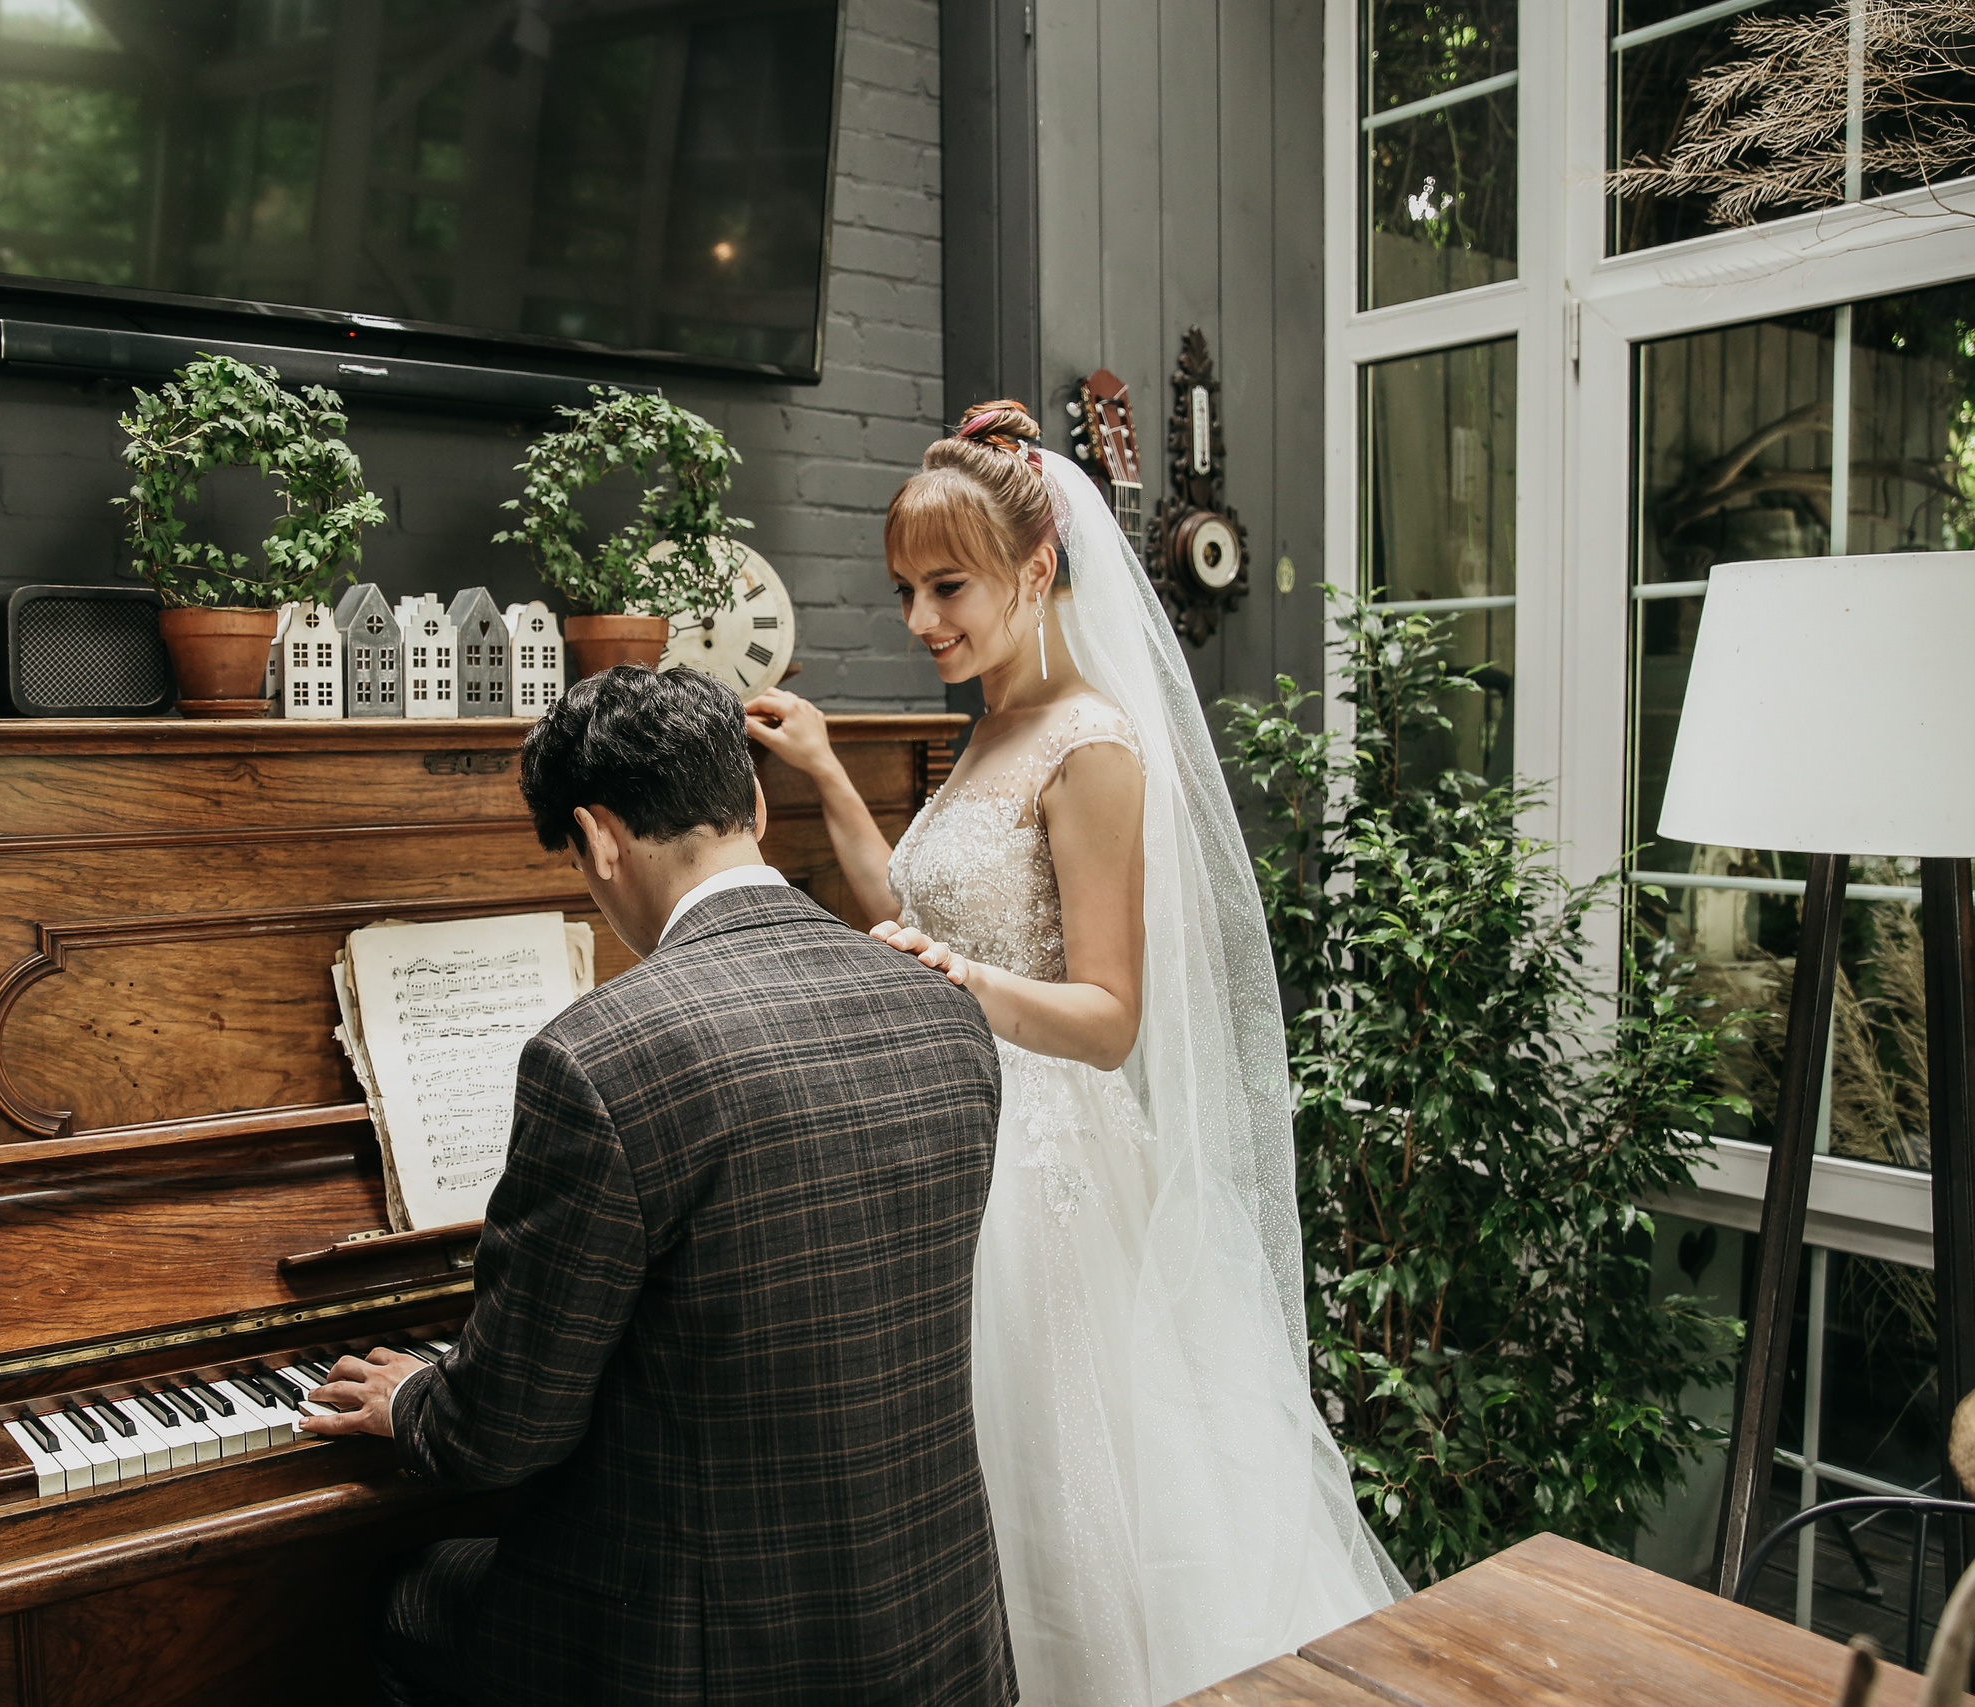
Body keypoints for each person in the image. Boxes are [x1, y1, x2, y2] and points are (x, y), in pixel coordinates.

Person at [746, 401, 1407, 1707]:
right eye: (905, 593)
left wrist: (959, 980)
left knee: (1069, 1507)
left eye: (949, 587)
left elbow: (1108, 1018)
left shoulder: (1093, 744)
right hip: (961, 1141)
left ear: (1036, 571)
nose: (922, 619)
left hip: (1049, 1176)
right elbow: (919, 920)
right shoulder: (985, 727)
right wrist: (827, 776)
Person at [306, 664, 1016, 1707]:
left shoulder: (596, 1056)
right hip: (932, 1622)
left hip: (699, 1656)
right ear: (756, 803)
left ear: (597, 839)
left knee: (407, 1599)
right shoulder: (943, 1007)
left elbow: (504, 1432)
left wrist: (416, 1395)